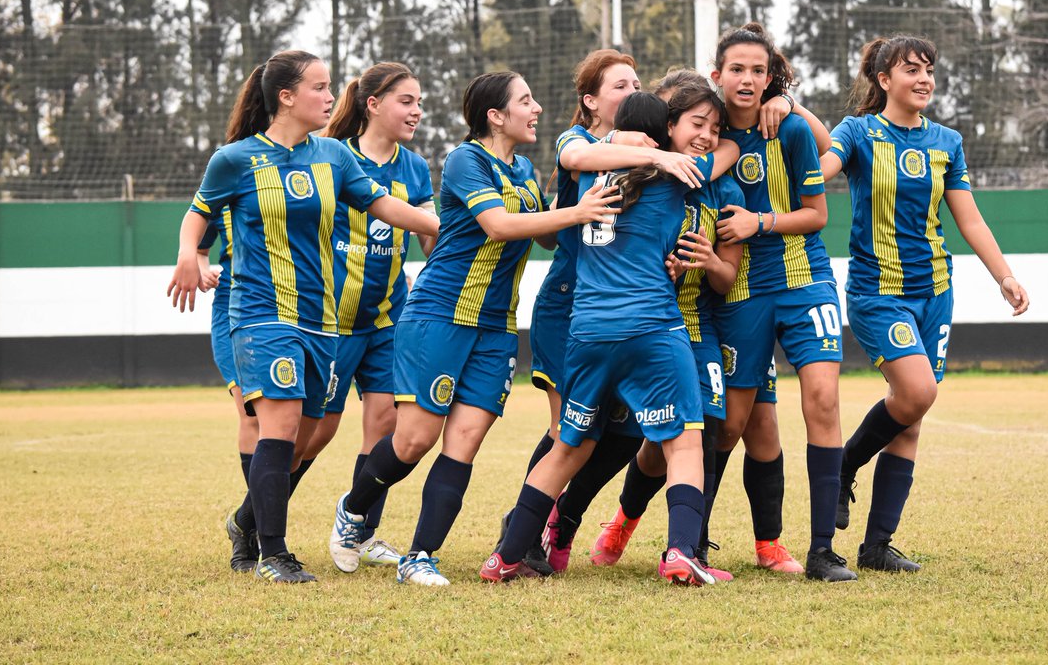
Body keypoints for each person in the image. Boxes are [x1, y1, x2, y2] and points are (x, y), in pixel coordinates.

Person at [328, 71, 622, 587]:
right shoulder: (467, 159)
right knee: (415, 439)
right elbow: (499, 226)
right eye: (525, 101)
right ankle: (353, 510)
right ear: (495, 115)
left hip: (498, 327)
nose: (535, 109)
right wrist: (575, 212)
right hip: (440, 314)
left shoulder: (527, 169)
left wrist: (581, 204)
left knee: (464, 440)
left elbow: (548, 238)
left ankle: (420, 555)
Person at [167, 49, 440, 584]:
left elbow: (387, 208)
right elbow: (198, 215)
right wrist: (188, 256)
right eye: (320, 87)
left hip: (322, 321)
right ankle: (275, 552)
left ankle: (245, 521)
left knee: (311, 433)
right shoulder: (236, 159)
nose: (331, 96)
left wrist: (464, 224)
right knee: (281, 421)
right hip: (261, 313)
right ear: (286, 97)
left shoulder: (335, 158)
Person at [481, 90, 740, 586]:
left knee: (568, 447)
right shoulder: (675, 172)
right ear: (662, 132)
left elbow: (572, 153)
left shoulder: (584, 171)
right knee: (684, 444)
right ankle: (682, 552)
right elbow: (723, 155)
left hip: (588, 331)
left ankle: (507, 556)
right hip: (652, 328)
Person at [824, 34, 1029, 572]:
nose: (924, 79)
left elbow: (970, 218)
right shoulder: (859, 132)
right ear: (883, 79)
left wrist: (1004, 276)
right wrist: (793, 113)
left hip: (935, 292)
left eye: (930, 70)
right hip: (877, 292)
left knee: (911, 415)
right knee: (918, 392)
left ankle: (876, 546)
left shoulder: (947, 141)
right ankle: (845, 464)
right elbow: (821, 170)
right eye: (910, 69)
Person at [514, 50, 708, 573]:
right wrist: (657, 156)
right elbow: (578, 161)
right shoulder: (577, 142)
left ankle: (560, 524)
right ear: (592, 101)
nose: (631, 90)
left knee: (621, 434)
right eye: (620, 84)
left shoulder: (652, 160)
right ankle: (524, 541)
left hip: (616, 314)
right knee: (569, 432)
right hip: (570, 305)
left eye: (636, 83)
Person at [708, 22, 857, 581]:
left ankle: (822, 550)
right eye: (737, 69)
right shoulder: (706, 127)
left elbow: (817, 215)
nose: (747, 80)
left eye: (758, 71)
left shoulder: (789, 128)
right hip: (739, 291)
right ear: (718, 75)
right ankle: (691, 539)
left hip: (805, 282)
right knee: (729, 425)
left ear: (771, 78)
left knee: (821, 400)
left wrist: (758, 221)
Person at [289, 62, 438, 573]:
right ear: (372, 104)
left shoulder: (415, 169)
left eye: (420, 102)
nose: (417, 110)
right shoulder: (331, 158)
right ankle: (256, 517)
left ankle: (360, 530)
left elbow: (429, 234)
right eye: (406, 101)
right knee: (316, 432)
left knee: (386, 424)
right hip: (329, 321)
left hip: (387, 319)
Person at [194, 210, 261, 573]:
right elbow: (198, 246)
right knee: (251, 412)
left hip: (293, 310)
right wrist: (201, 267)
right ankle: (256, 530)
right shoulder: (225, 182)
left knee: (299, 429)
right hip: (235, 311)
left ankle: (245, 521)